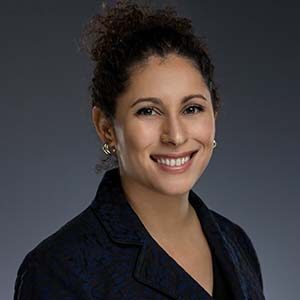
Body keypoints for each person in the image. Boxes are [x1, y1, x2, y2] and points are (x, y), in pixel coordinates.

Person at [14, 1, 265, 299]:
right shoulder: (59, 269)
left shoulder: (236, 242)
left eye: (192, 108)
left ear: (215, 115)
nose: (175, 135)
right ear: (106, 127)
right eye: (148, 111)